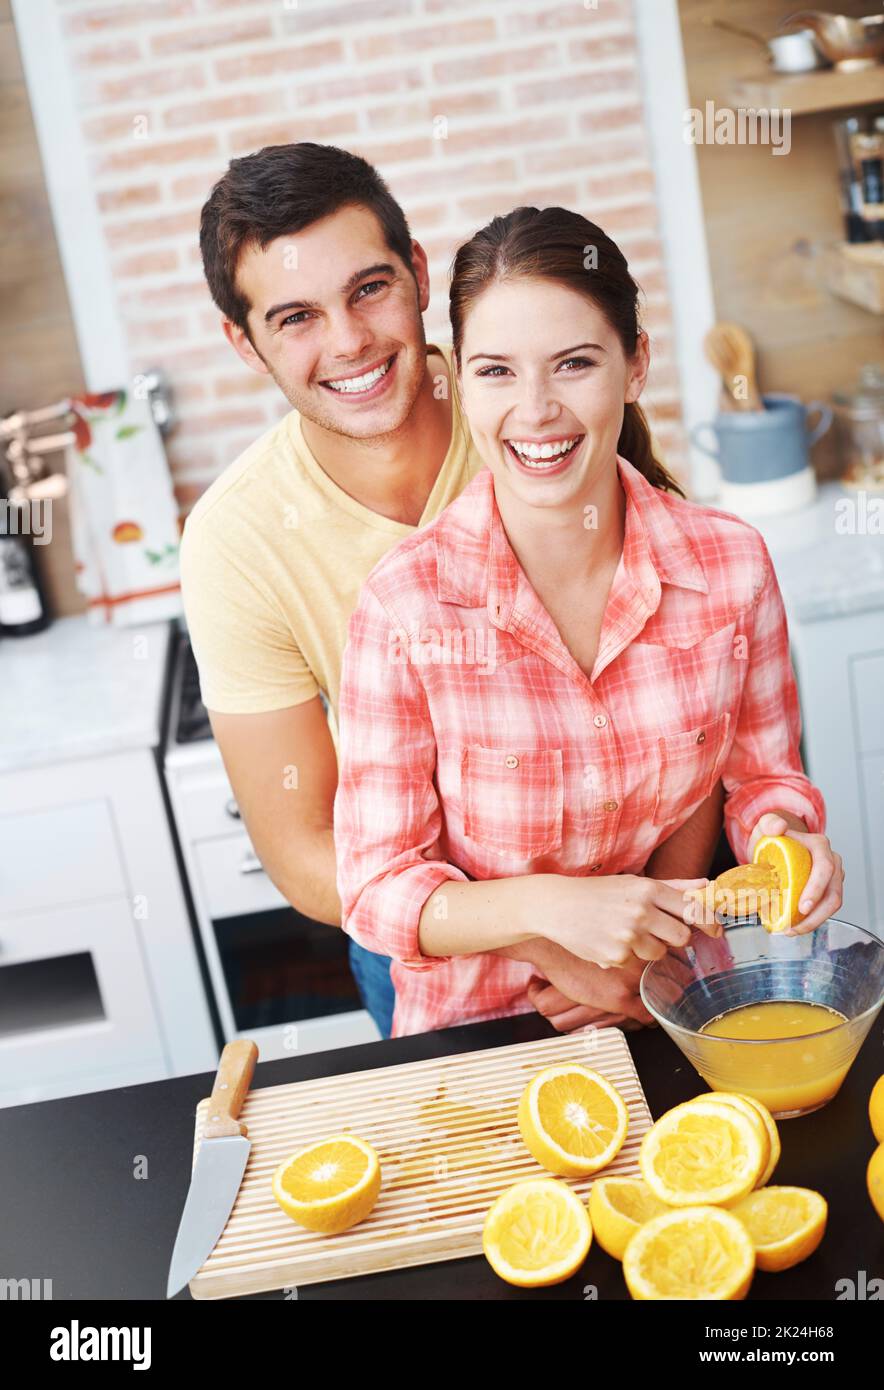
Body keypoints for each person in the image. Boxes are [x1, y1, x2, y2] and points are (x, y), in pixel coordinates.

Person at [181, 143, 725, 1040]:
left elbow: (692, 703)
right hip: (432, 950)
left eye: (368, 289)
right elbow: (307, 849)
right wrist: (541, 927)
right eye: (295, 318)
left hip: (653, 915)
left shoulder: (533, 409)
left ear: (419, 274)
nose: (350, 341)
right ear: (245, 343)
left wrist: (642, 936)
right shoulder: (237, 540)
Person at [333, 205, 844, 1039]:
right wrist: (556, 918)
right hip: (482, 1034)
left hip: (675, 1003)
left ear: (635, 365)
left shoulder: (731, 568)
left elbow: (761, 782)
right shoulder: (405, 606)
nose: (535, 410)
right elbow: (378, 890)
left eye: (574, 364)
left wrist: (789, 841)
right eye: (496, 371)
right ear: (459, 381)